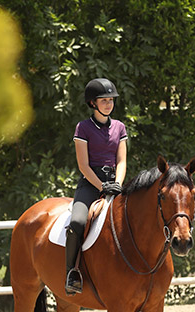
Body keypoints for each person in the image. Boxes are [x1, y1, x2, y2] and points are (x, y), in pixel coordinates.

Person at [65, 78, 128, 295]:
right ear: (93, 103)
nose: (109, 104)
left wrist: (117, 184)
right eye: (104, 100)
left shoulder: (119, 127)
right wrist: (102, 186)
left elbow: (121, 161)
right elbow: (83, 165)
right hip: (91, 184)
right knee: (77, 222)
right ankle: (71, 273)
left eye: (111, 100)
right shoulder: (83, 128)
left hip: (115, 183)